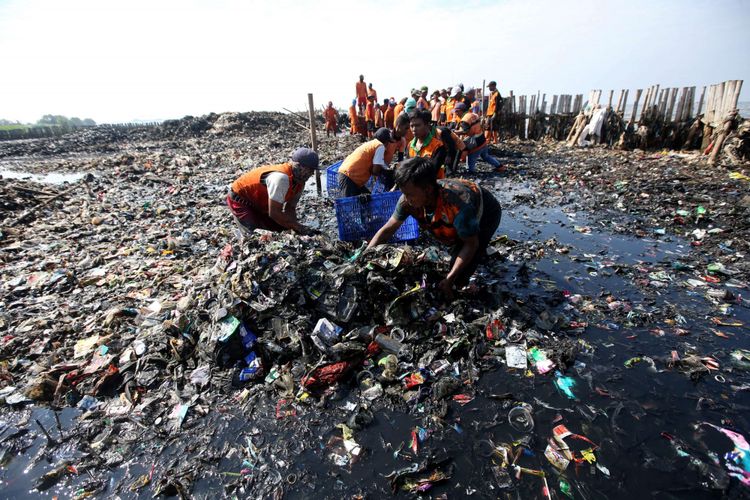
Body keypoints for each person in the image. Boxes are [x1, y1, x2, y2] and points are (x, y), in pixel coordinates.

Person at [366, 156, 502, 299]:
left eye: (410, 195)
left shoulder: (456, 206)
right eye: (404, 193)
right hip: (458, 215)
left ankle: (461, 279)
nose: (406, 199)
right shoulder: (407, 200)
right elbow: (388, 230)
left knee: (459, 275)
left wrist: (450, 279)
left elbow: (471, 244)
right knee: (452, 239)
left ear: (428, 189)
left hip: (486, 212)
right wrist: (365, 256)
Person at [227, 148, 321, 235]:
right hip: (240, 199)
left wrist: (295, 228)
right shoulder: (281, 179)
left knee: (280, 229)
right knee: (253, 236)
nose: (312, 173)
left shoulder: (300, 181)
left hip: (261, 203)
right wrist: (298, 227)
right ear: (298, 166)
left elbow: (290, 208)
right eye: (310, 170)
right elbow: (274, 213)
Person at [338, 127, 397, 197]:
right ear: (385, 140)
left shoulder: (372, 144)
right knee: (349, 205)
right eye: (388, 142)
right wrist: (386, 173)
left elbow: (379, 164)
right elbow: (375, 171)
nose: (388, 145)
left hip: (348, 175)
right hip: (349, 177)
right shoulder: (380, 146)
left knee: (369, 197)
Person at [407, 109, 465, 178]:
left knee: (450, 167)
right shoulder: (410, 145)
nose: (414, 129)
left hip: (456, 147)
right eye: (412, 126)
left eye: (418, 125)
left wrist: (449, 156)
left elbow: (451, 145)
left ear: (427, 125)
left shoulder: (441, 134)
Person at [453, 102, 503, 173]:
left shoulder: (464, 120)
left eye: (456, 111)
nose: (455, 113)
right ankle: (500, 167)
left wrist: (454, 132)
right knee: (486, 156)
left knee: (470, 160)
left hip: (476, 144)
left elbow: (464, 131)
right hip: (482, 140)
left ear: (461, 110)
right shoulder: (473, 114)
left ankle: (470, 171)